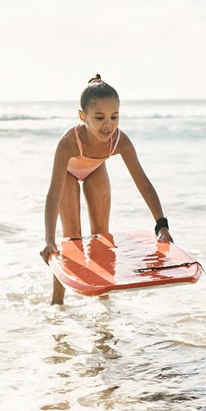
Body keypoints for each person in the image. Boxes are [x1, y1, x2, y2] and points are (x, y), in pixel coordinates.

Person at [40, 75, 173, 305]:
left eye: (115, 117)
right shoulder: (69, 143)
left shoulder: (119, 141)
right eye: (99, 117)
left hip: (95, 171)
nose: (108, 125)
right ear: (83, 117)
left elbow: (142, 182)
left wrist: (161, 225)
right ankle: (57, 303)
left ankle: (104, 303)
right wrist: (49, 240)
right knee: (72, 238)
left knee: (101, 235)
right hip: (68, 176)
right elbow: (53, 193)